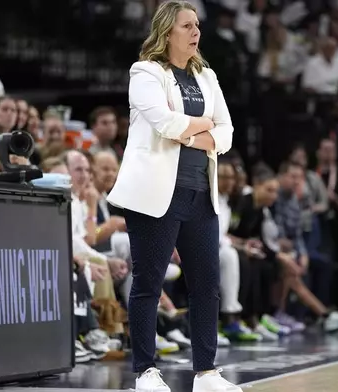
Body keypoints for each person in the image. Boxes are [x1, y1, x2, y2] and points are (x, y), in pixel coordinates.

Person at [106, 2, 236, 392]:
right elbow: (164, 123)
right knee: (148, 282)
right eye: (187, 26)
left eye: (197, 26)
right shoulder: (145, 72)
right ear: (167, 32)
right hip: (155, 195)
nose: (196, 32)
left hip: (200, 194)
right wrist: (204, 127)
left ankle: (206, 374)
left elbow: (227, 131)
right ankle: (146, 372)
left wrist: (195, 133)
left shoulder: (207, 75)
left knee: (206, 286)